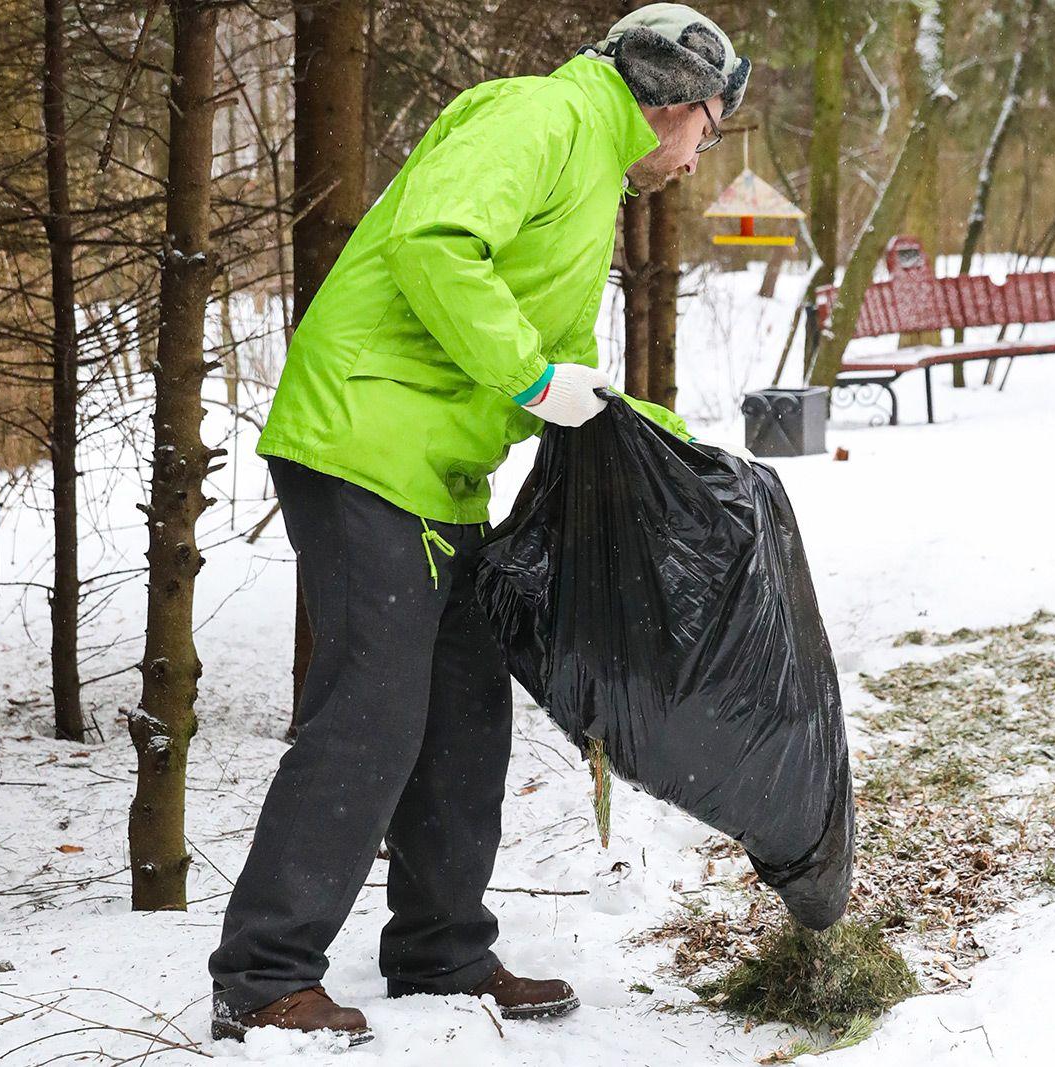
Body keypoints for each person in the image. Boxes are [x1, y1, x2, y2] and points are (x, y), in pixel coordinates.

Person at [207, 4, 750, 1045]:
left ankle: (440, 950)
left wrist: (663, 450)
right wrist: (532, 376)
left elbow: (564, 364)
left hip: (439, 471)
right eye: (710, 133)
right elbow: (436, 244)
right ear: (679, 105)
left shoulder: (589, 175)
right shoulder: (539, 117)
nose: (697, 158)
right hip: (366, 440)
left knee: (463, 716)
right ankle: (264, 974)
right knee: (370, 709)